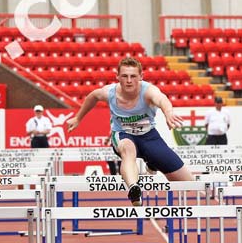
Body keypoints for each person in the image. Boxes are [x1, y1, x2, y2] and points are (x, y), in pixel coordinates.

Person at [67, 56, 194, 206]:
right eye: (125, 76)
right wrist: (78, 118)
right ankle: (134, 189)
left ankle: (152, 162)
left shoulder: (148, 91)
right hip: (123, 134)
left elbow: (162, 99)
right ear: (117, 77)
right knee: (128, 150)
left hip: (148, 136)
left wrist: (169, 113)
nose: (129, 80)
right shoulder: (109, 93)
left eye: (133, 76)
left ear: (141, 77)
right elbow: (92, 97)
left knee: (188, 183)